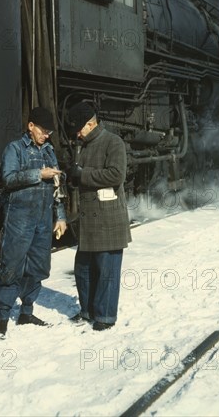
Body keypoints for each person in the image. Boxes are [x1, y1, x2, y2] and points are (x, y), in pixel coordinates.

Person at [0, 107, 67, 339]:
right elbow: (8, 179)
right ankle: (3, 319)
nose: (47, 136)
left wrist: (61, 216)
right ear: (31, 126)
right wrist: (38, 174)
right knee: (11, 268)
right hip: (19, 220)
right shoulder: (14, 149)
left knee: (37, 268)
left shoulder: (49, 151)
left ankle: (26, 312)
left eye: (50, 132)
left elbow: (57, 187)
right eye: (44, 131)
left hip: (43, 220)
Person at [67, 102, 131, 331]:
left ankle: (105, 316)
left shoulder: (113, 142)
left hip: (107, 218)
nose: (77, 133)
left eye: (80, 128)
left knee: (107, 271)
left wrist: (83, 175)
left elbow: (116, 175)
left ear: (91, 123)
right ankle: (87, 311)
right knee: (83, 269)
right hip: (89, 220)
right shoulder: (83, 144)